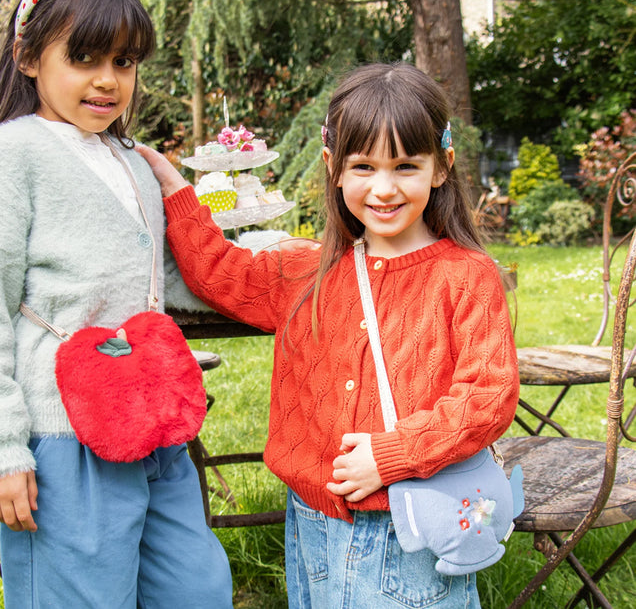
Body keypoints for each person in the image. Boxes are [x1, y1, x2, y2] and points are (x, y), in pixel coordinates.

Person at [137, 62, 520, 608]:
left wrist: (391, 454)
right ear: (333, 168)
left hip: (407, 527)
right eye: (363, 166)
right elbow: (220, 272)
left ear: (441, 167)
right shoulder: (305, 271)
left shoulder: (466, 275)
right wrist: (176, 190)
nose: (383, 188)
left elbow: (488, 396)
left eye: (406, 166)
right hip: (311, 522)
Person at [0, 0, 232, 608]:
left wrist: (278, 268)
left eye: (124, 62)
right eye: (85, 59)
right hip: (62, 437)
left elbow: (167, 275)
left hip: (152, 421)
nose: (107, 80)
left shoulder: (131, 161)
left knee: (198, 590)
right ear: (28, 59)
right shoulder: (12, 156)